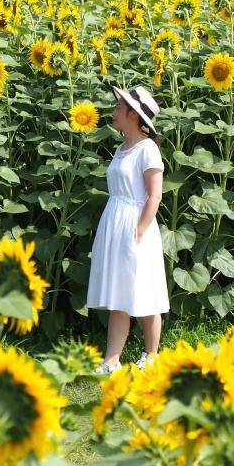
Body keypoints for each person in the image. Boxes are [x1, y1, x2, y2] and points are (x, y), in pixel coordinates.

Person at [86, 85, 169, 374]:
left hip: (136, 226)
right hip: (116, 222)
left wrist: (138, 232)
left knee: (144, 288)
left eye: (119, 107)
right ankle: (111, 361)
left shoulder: (147, 149)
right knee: (118, 291)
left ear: (134, 115)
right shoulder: (122, 149)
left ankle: (152, 354)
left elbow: (154, 196)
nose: (114, 111)